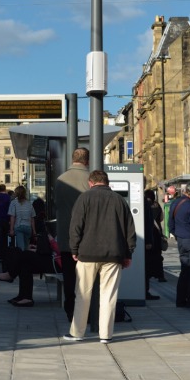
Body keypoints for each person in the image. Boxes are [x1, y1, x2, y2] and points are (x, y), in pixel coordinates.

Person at [63, 170, 136, 345]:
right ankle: (105, 335)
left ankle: (78, 333)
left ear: (91, 182)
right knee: (109, 295)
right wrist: (128, 253)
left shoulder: (84, 198)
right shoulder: (119, 200)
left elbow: (75, 227)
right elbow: (129, 230)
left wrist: (74, 249)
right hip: (113, 254)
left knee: (82, 294)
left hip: (87, 253)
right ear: (107, 182)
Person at [52, 147, 90, 322]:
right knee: (88, 278)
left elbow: (57, 205)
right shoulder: (90, 179)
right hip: (87, 238)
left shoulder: (60, 180)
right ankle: (87, 312)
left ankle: (70, 310)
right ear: (87, 161)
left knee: (69, 276)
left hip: (66, 237)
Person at [143, 189, 165, 297]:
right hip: (156, 235)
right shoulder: (157, 205)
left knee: (147, 262)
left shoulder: (143, 203)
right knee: (158, 256)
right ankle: (160, 275)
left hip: (146, 236)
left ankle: (146, 284)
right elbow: (161, 218)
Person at [8, 185, 38, 250]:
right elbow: (32, 218)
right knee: (26, 246)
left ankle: (22, 259)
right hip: (28, 227)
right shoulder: (29, 203)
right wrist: (34, 231)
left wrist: (11, 229)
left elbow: (12, 217)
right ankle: (26, 258)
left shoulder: (13, 203)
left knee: (20, 248)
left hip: (18, 226)